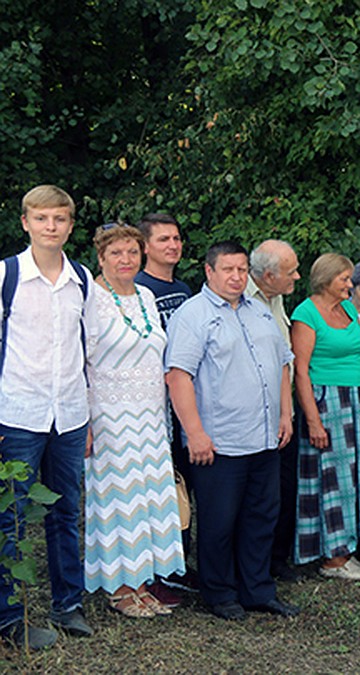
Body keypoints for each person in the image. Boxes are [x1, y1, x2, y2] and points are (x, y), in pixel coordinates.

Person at [165, 241, 298, 620]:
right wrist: (195, 433)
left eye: (242, 269)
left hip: (265, 436)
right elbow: (178, 376)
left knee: (261, 518)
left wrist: (285, 414)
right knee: (219, 522)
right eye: (228, 269)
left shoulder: (261, 311)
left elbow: (283, 363)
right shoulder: (193, 315)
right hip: (219, 440)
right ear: (209, 272)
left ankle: (256, 589)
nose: (236, 277)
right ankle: (220, 593)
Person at [0, 185, 95, 648]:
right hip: (17, 412)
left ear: (70, 225)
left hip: (70, 415)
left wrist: (89, 413)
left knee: (64, 512)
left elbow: (87, 348)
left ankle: (68, 604)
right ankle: (6, 618)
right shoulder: (6, 275)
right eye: (41, 219)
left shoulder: (82, 278)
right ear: (26, 223)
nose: (50, 227)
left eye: (59, 219)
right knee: (10, 515)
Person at [83, 224, 186, 619]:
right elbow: (82, 361)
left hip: (150, 415)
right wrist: (87, 421)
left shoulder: (144, 294)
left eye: (131, 252)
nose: (125, 260)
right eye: (116, 253)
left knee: (149, 499)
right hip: (110, 415)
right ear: (101, 258)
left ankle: (143, 582)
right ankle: (119, 588)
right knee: (119, 503)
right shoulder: (92, 298)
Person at [292, 253, 360, 580]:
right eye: (344, 279)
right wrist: (313, 420)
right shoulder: (306, 313)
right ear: (326, 280)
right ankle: (332, 557)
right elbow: (301, 371)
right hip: (329, 401)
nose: (350, 284)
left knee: (357, 476)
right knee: (334, 480)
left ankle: (350, 548)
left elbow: (359, 344)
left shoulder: (347, 309)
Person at [134, 212, 194, 602]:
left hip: (187, 400)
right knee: (162, 489)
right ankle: (157, 573)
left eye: (176, 239)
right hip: (154, 403)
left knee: (184, 489)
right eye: (163, 240)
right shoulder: (139, 289)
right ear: (144, 247)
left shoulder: (185, 288)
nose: (172, 246)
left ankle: (180, 566)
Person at [246, 239, 302, 582]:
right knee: (259, 494)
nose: (297, 276)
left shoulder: (276, 296)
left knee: (285, 487)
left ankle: (278, 560)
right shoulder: (242, 300)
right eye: (291, 271)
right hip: (254, 413)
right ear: (268, 276)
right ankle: (256, 563)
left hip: (284, 408)